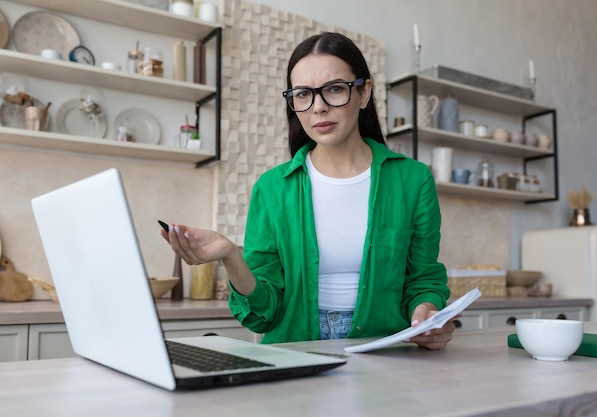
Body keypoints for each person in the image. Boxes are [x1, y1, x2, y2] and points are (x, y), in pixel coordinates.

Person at [161, 32, 456, 349]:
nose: (318, 108)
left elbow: (423, 279)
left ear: (364, 92)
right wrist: (231, 256)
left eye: (334, 89)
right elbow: (264, 314)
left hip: (385, 352)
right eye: (303, 94)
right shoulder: (272, 189)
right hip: (294, 351)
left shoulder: (412, 180)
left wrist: (427, 314)